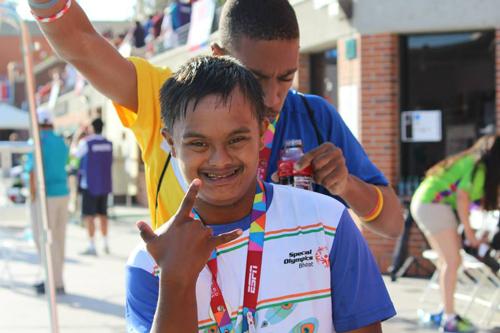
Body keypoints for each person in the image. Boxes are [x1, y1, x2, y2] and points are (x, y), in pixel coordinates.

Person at [28, 0, 403, 238]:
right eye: (257, 78)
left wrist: (347, 186)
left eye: (286, 77)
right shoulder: (167, 97)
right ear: (219, 55)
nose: (273, 98)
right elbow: (80, 44)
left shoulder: (313, 115)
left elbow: (391, 224)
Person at [128, 55, 396, 333]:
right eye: (198, 143)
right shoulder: (149, 263)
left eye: (236, 139)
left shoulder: (327, 222)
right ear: (170, 144)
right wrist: (175, 280)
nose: (220, 160)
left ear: (262, 134)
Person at [410, 134, 500, 333]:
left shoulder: (471, 162)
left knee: (446, 262)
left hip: (425, 202)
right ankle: (450, 320)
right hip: (433, 204)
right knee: (452, 262)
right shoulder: (478, 167)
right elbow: (462, 197)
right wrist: (469, 233)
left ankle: (445, 312)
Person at [28, 108, 70, 295]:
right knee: (59, 240)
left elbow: (32, 171)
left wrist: (32, 196)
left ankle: (52, 281)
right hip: (62, 193)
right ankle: (57, 280)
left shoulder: (37, 141)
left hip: (46, 195)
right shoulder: (60, 141)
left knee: (43, 239)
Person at [71, 118, 113, 256]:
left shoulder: (86, 142)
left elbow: (74, 154)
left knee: (89, 216)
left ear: (92, 128)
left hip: (89, 185)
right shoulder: (108, 143)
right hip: (105, 184)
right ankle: (106, 244)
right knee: (103, 215)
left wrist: (75, 139)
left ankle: (92, 245)